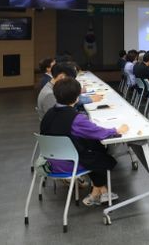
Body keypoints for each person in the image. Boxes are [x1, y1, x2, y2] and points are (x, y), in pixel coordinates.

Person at [40, 77, 129, 206]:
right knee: (101, 155)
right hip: (69, 163)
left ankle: (99, 191)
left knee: (93, 147)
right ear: (77, 98)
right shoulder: (76, 119)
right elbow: (99, 132)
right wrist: (117, 129)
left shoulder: (48, 114)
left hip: (49, 162)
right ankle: (98, 192)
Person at [37, 62, 102, 119]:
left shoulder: (54, 88)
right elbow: (59, 118)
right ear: (62, 77)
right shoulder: (50, 94)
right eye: (70, 80)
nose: (71, 83)